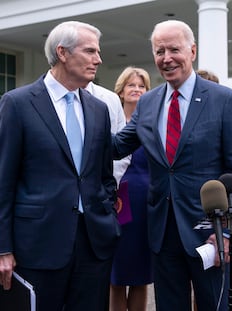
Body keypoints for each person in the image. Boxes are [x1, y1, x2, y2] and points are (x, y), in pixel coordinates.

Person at [112, 20, 232, 311]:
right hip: (162, 230)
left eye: (174, 49)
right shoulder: (148, 102)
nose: (167, 58)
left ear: (193, 51)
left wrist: (224, 230)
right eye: (159, 51)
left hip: (208, 230)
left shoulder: (223, 99)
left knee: (213, 305)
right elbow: (118, 145)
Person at [0, 21, 120, 311]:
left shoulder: (98, 108)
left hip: (93, 245)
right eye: (90, 51)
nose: (98, 59)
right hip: (37, 246)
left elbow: (104, 174)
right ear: (62, 53)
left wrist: (107, 217)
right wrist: (3, 247)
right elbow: (3, 180)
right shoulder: (17, 104)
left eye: (98, 52)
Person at [110, 66, 153, 311]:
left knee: (140, 274)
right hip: (117, 200)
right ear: (121, 91)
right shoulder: (112, 121)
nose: (136, 90)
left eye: (141, 85)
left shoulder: (152, 124)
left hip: (145, 201)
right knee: (116, 275)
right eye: (131, 85)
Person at [85, 81, 129, 185]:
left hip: (103, 188)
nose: (98, 63)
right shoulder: (43, 99)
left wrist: (110, 184)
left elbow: (120, 145)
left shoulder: (111, 98)